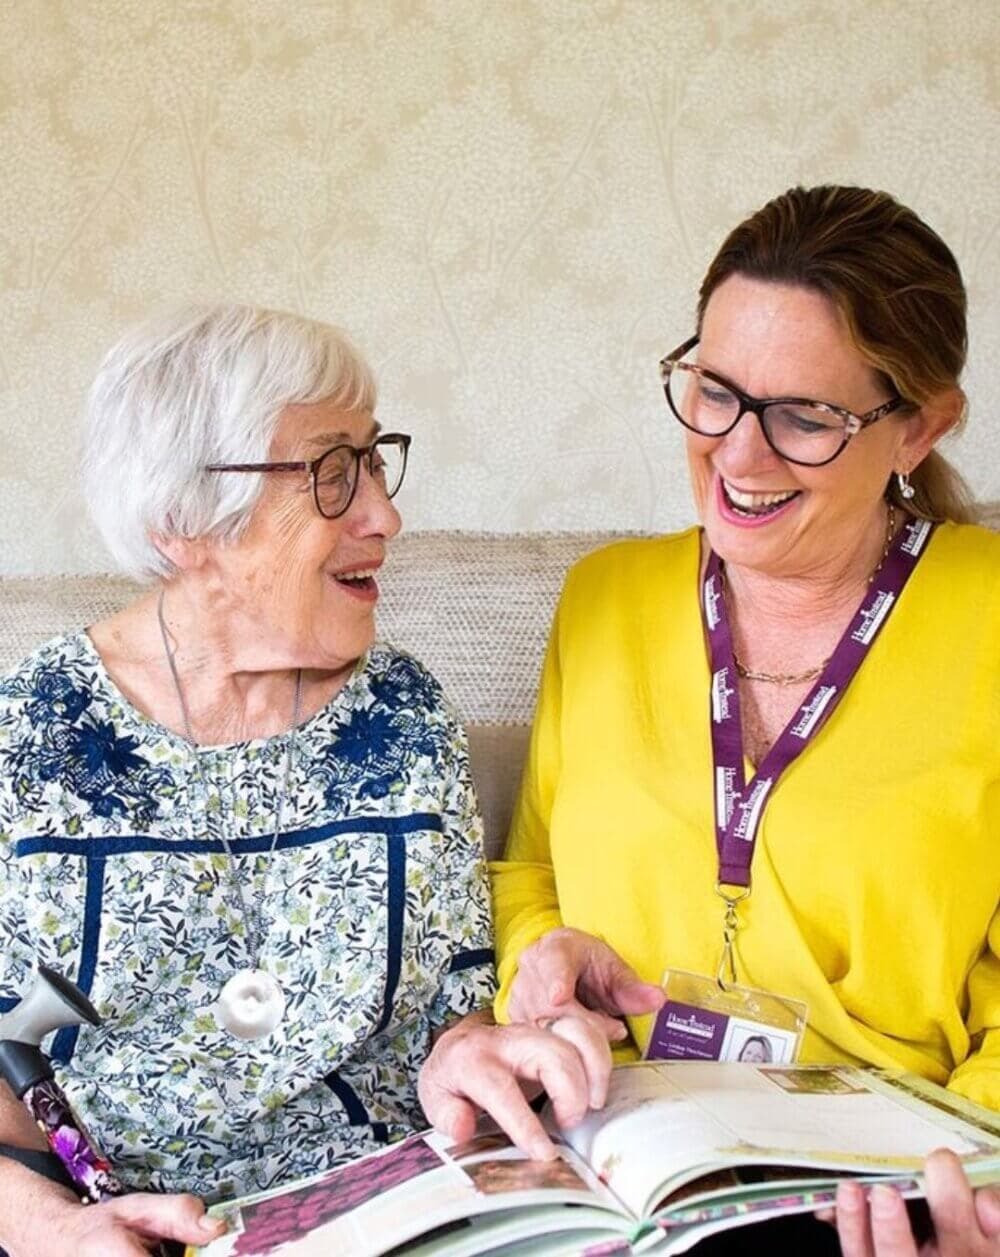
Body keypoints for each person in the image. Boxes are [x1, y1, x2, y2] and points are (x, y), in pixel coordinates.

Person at [0, 304, 608, 1257]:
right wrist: (51, 1229)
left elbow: (448, 1011)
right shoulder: (30, 737)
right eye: (332, 473)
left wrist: (473, 1051)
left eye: (373, 459)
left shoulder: (399, 712)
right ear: (183, 520)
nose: (384, 514)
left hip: (398, 1211)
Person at [491, 186, 1000, 1255]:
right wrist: (544, 967)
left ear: (921, 426)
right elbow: (528, 871)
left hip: (885, 1182)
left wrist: (969, 1178)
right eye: (714, 392)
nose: (738, 455)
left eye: (805, 417)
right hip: (617, 1156)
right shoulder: (604, 597)